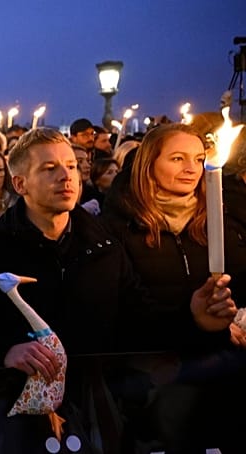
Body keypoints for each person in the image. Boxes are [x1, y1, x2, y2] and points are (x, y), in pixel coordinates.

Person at [0, 127, 236, 370]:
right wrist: (4, 352)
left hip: (97, 406)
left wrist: (194, 319)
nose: (66, 176)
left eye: (71, 166)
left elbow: (141, 323)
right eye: (49, 168)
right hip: (15, 411)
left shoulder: (104, 246)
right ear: (20, 184)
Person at [100, 122, 246, 452]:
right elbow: (121, 309)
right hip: (154, 385)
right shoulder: (118, 228)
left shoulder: (221, 218)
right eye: (177, 159)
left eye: (197, 159)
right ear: (149, 165)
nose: (191, 169)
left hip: (226, 375)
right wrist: (194, 320)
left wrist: (238, 318)